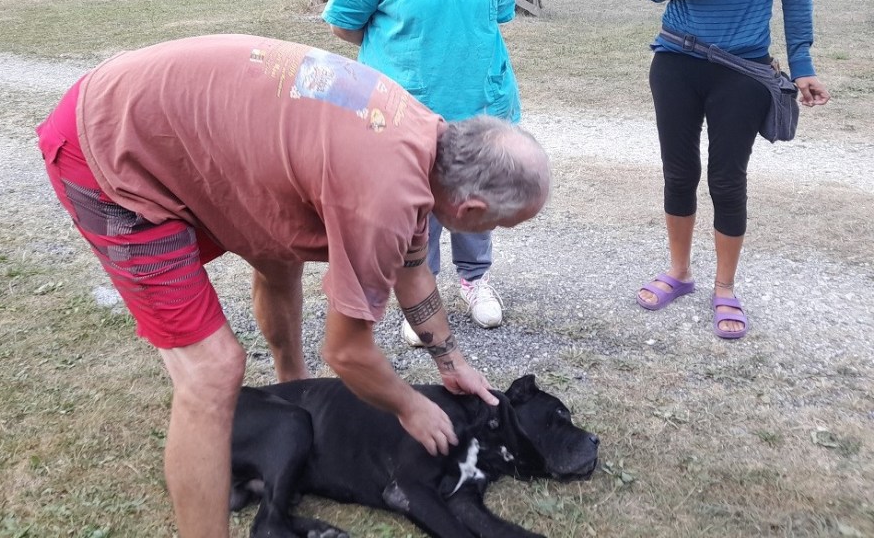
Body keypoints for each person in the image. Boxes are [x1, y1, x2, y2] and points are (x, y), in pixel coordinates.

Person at [36, 34, 551, 538]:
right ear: (470, 208)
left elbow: (413, 271)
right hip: (108, 147)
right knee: (212, 372)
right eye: (499, 225)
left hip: (159, 114)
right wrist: (409, 406)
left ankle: (291, 389)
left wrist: (451, 362)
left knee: (280, 255)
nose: (492, 232)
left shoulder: (428, 141)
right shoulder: (383, 197)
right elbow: (347, 353)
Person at [638, 0, 830, 339]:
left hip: (742, 69)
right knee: (679, 172)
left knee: (727, 179)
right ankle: (679, 272)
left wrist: (803, 62)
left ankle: (725, 287)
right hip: (676, 59)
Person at [325, 0, 521, 346]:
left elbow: (498, 16)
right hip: (405, 109)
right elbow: (345, 24)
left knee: (474, 197)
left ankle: (474, 279)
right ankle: (421, 294)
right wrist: (403, 56)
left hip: (482, 102)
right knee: (415, 206)